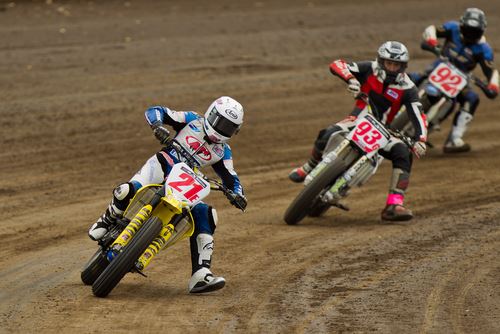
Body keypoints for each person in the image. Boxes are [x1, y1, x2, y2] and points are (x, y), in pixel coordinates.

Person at [88, 96, 247, 293]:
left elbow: (231, 177)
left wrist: (238, 194)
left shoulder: (224, 151)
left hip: (188, 182)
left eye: (229, 127)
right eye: (220, 122)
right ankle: (108, 218)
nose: (222, 129)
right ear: (210, 114)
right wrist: (157, 126)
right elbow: (158, 111)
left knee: (206, 215)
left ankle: (201, 274)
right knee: (128, 190)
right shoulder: (192, 119)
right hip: (163, 165)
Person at [289, 41, 427, 222]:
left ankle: (394, 204)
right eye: (389, 63)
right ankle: (310, 166)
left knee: (403, 152)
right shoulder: (368, 68)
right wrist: (351, 79)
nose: (392, 68)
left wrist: (421, 139)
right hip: (357, 120)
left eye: (396, 65)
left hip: (385, 133)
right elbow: (337, 65)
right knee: (328, 133)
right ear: (381, 61)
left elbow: (418, 114)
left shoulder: (408, 88)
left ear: (403, 67)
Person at [411, 8, 498, 153]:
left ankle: (454, 139)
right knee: (411, 77)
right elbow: (432, 30)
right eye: (468, 29)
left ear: (482, 31)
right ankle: (385, 107)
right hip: (438, 67)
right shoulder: (452, 28)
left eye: (474, 31)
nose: (470, 34)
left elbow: (491, 72)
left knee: (472, 98)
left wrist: (493, 86)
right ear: (462, 25)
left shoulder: (484, 49)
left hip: (461, 80)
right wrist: (432, 42)